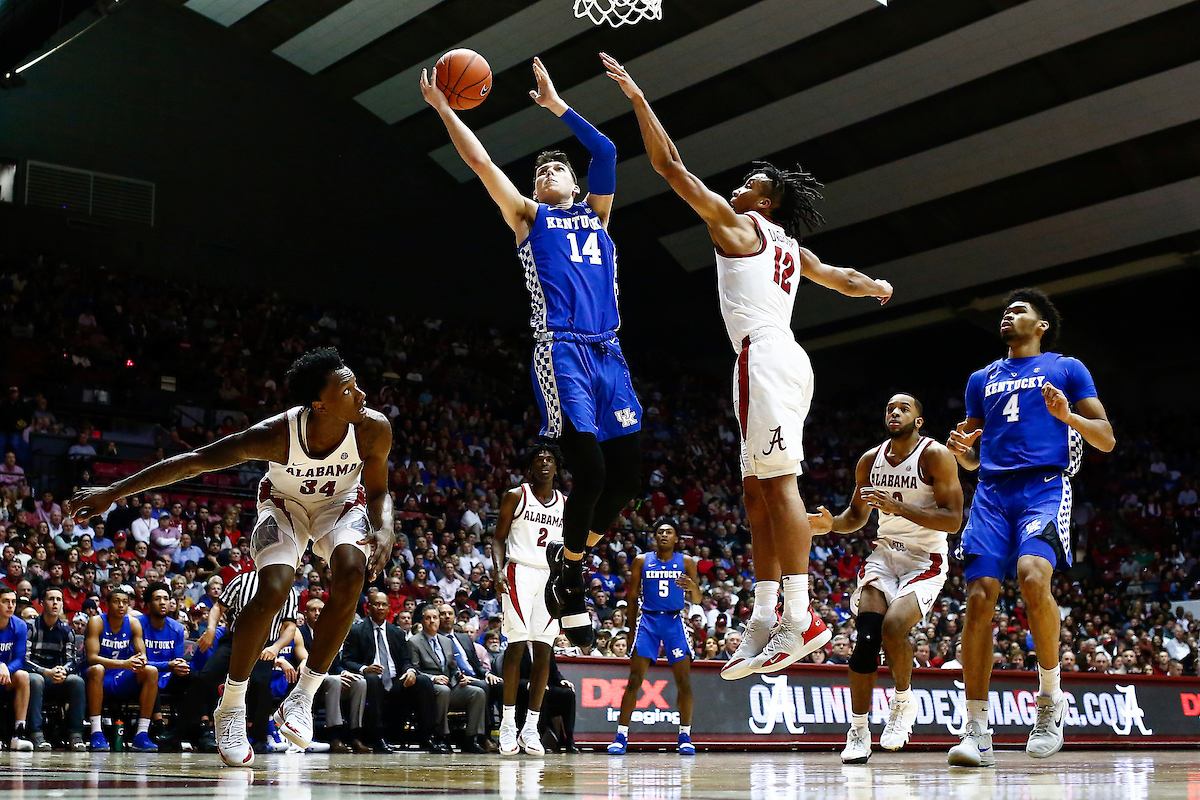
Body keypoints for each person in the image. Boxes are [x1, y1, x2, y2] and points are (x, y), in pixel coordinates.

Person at [604, 54, 893, 676]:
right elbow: (837, 276)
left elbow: (670, 166)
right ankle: (764, 616)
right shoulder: (792, 247)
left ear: (765, 200)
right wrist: (872, 285)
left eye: (749, 183)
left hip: (765, 355)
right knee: (756, 492)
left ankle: (801, 617)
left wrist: (637, 99)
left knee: (780, 486)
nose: (738, 186)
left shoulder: (744, 229)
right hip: (775, 358)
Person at [67, 348, 394, 766]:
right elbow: (195, 461)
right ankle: (232, 705)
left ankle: (303, 696)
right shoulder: (277, 434)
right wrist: (113, 492)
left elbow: (379, 492)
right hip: (284, 506)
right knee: (274, 587)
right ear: (319, 403)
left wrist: (386, 527)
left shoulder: (373, 428)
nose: (361, 394)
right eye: (348, 390)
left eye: (357, 385)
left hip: (340, 505)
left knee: (352, 573)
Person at [421, 57, 641, 650]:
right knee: (591, 470)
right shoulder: (527, 216)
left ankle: (569, 565)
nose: (547, 173)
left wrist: (557, 106)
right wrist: (444, 110)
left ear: (574, 183)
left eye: (556, 168)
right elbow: (481, 163)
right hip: (562, 350)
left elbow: (607, 152)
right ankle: (571, 585)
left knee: (627, 479)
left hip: (610, 353)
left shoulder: (598, 215)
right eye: (540, 170)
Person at [945, 289, 1114, 766]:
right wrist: (964, 455)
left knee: (1033, 576)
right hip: (992, 493)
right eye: (1005, 310)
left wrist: (1068, 416)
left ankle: (1050, 699)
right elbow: (974, 454)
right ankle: (977, 729)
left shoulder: (1067, 368)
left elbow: (1106, 439)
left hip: (1044, 487)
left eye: (1019, 310)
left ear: (1041, 326)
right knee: (979, 597)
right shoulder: (981, 378)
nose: (1008, 314)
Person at [808, 394, 964, 763]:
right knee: (865, 638)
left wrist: (898, 507)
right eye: (890, 408)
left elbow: (953, 520)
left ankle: (903, 702)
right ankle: (858, 731)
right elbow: (855, 516)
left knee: (893, 627)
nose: (894, 412)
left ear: (918, 421)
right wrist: (831, 525)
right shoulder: (870, 460)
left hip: (925, 558)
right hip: (885, 556)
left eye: (904, 408)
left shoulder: (935, 455)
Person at [492, 443, 565, 755]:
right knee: (517, 645)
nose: (545, 463)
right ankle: (508, 724)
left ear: (557, 467)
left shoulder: (565, 503)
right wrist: (497, 571)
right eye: (539, 459)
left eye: (550, 459)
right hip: (519, 571)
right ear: (530, 467)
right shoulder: (516, 495)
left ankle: (530, 728)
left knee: (545, 651)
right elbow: (498, 538)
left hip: (551, 576)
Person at [608, 520, 702, 755]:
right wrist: (631, 629)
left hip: (674, 621)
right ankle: (621, 735)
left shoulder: (687, 562)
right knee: (634, 679)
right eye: (660, 532)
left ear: (676, 538)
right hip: (648, 621)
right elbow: (632, 597)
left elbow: (698, 599)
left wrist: (693, 587)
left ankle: (685, 736)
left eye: (669, 532)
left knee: (684, 681)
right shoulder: (642, 560)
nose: (664, 535)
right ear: (655, 537)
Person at [341, 590, 439, 753]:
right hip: (372, 682)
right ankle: (377, 737)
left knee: (423, 681)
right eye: (376, 604)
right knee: (372, 679)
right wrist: (364, 669)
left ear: (389, 608)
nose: (380, 608)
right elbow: (346, 660)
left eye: (384, 605)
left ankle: (427, 736)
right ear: (368, 608)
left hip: (395, 681)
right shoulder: (357, 631)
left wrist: (410, 671)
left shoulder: (397, 632)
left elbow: (406, 660)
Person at [83, 588, 159, 751]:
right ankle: (96, 732)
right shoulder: (96, 622)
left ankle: (142, 734)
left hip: (122, 675)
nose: (121, 605)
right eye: (116, 601)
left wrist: (141, 660)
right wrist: (124, 663)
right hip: (99, 676)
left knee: (151, 671)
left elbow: (142, 655)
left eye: (125, 602)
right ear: (107, 604)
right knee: (97, 669)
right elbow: (92, 658)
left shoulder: (133, 623)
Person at [409, 603, 489, 754]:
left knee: (477, 693)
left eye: (435, 617)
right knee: (443, 690)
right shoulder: (414, 642)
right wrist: (434, 678)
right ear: (422, 621)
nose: (432, 621)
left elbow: (453, 667)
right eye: (428, 618)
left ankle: (472, 738)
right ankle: (442, 736)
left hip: (450, 685)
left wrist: (460, 676)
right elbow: (414, 669)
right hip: (430, 688)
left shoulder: (446, 641)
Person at [297, 598, 366, 753]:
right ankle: (334, 735)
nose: (317, 613)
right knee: (334, 681)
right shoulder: (300, 633)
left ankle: (355, 734)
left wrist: (344, 672)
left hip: (329, 680)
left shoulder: (329, 634)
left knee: (359, 682)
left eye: (320, 610)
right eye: (313, 610)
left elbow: (336, 664)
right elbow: (301, 661)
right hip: (306, 680)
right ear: (305, 613)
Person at [25, 586, 88, 750]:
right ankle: (35, 734)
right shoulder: (30, 627)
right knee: (35, 680)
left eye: (58, 600)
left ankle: (76, 735)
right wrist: (46, 672)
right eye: (51, 599)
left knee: (77, 681)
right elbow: (24, 660)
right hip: (36, 675)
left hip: (57, 677)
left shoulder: (67, 631)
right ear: (42, 603)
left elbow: (72, 660)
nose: (55, 603)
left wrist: (63, 671)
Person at [137, 582, 190, 714]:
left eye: (166, 599)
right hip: (141, 676)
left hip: (168, 676)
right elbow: (136, 662)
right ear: (149, 604)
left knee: (195, 677)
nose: (162, 603)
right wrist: (167, 665)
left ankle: (192, 723)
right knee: (150, 675)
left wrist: (180, 666)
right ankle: (158, 721)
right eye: (157, 599)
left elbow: (177, 660)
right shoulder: (137, 624)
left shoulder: (177, 628)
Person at [0, 587, 33, 751]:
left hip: (5, 677)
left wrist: (6, 668)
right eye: (5, 601)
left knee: (23, 676)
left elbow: (20, 659)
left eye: (13, 602)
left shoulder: (20, 625)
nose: (10, 605)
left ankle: (19, 733)